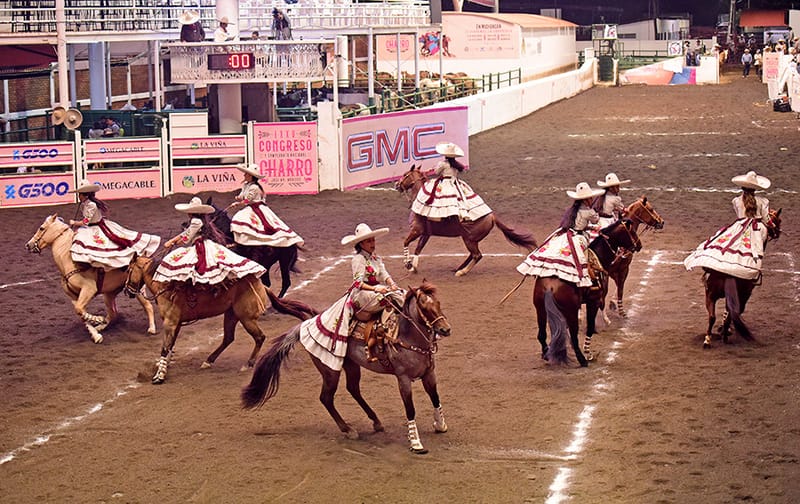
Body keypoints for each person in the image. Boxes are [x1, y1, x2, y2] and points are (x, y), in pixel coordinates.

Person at [298, 223, 403, 364]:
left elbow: (384, 274)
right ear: (361, 244)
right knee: (389, 297)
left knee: (402, 293)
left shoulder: (376, 258)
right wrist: (377, 289)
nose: (372, 243)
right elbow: (357, 283)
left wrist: (392, 284)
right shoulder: (358, 259)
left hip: (375, 290)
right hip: (362, 294)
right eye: (368, 241)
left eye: (373, 240)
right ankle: (382, 333)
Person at [154, 196, 265, 285]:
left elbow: (186, 237)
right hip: (202, 244)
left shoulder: (196, 222)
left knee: (196, 264)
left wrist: (173, 241)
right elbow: (186, 234)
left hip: (201, 246)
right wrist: (174, 240)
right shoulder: (198, 220)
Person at [684, 171, 772, 281]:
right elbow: (766, 219)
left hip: (740, 225)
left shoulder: (736, 201)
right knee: (759, 241)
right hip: (756, 227)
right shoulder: (763, 201)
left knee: (727, 242)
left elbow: (739, 214)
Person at [516, 182, 604, 288]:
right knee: (582, 254)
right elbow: (596, 220)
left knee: (553, 246)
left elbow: (576, 223)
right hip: (579, 236)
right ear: (585, 200)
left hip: (566, 233)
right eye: (590, 198)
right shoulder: (589, 211)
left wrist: (586, 226)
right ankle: (587, 275)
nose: (591, 200)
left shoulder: (571, 210)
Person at [68, 179, 160, 270]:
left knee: (107, 244)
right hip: (91, 226)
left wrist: (74, 222)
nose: (79, 196)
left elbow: (86, 221)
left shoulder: (92, 205)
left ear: (84, 195)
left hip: (95, 227)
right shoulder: (85, 204)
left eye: (79, 194)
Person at [410, 141, 492, 222]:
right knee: (461, 198)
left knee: (438, 197)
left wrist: (431, 170)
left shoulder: (443, 163)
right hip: (455, 182)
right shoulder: (456, 164)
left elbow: (436, 172)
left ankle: (439, 216)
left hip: (445, 182)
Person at [228, 163, 304, 248]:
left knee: (250, 220)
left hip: (257, 207)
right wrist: (238, 198)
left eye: (246, 174)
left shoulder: (255, 187)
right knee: (241, 218)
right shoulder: (246, 185)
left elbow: (248, 200)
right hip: (251, 206)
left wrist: (237, 204)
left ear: (250, 176)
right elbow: (243, 196)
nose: (244, 175)